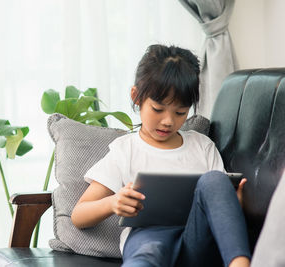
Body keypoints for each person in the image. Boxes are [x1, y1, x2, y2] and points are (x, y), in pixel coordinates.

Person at [71, 44, 251, 267]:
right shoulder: (125, 150)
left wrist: (232, 204)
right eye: (158, 109)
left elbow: (220, 206)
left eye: (180, 112)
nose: (168, 121)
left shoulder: (202, 146)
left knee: (215, 180)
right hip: (147, 242)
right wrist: (114, 202)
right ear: (136, 97)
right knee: (146, 254)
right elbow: (79, 216)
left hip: (196, 244)